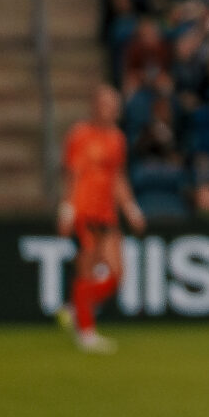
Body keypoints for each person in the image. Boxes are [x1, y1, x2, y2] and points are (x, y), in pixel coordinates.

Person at [57, 86, 145, 354]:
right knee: (86, 268)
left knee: (117, 274)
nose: (112, 109)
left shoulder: (117, 139)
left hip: (107, 213)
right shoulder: (80, 135)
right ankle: (86, 332)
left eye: (114, 104)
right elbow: (72, 175)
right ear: (95, 105)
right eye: (107, 104)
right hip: (86, 211)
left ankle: (75, 307)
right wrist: (67, 208)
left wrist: (131, 208)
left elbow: (118, 177)